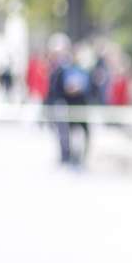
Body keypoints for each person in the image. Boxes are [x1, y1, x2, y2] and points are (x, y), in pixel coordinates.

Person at [45, 33, 91, 166]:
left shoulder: (73, 68)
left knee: (77, 133)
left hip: (75, 105)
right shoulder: (57, 68)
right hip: (61, 104)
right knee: (63, 132)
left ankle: (75, 156)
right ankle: (66, 155)